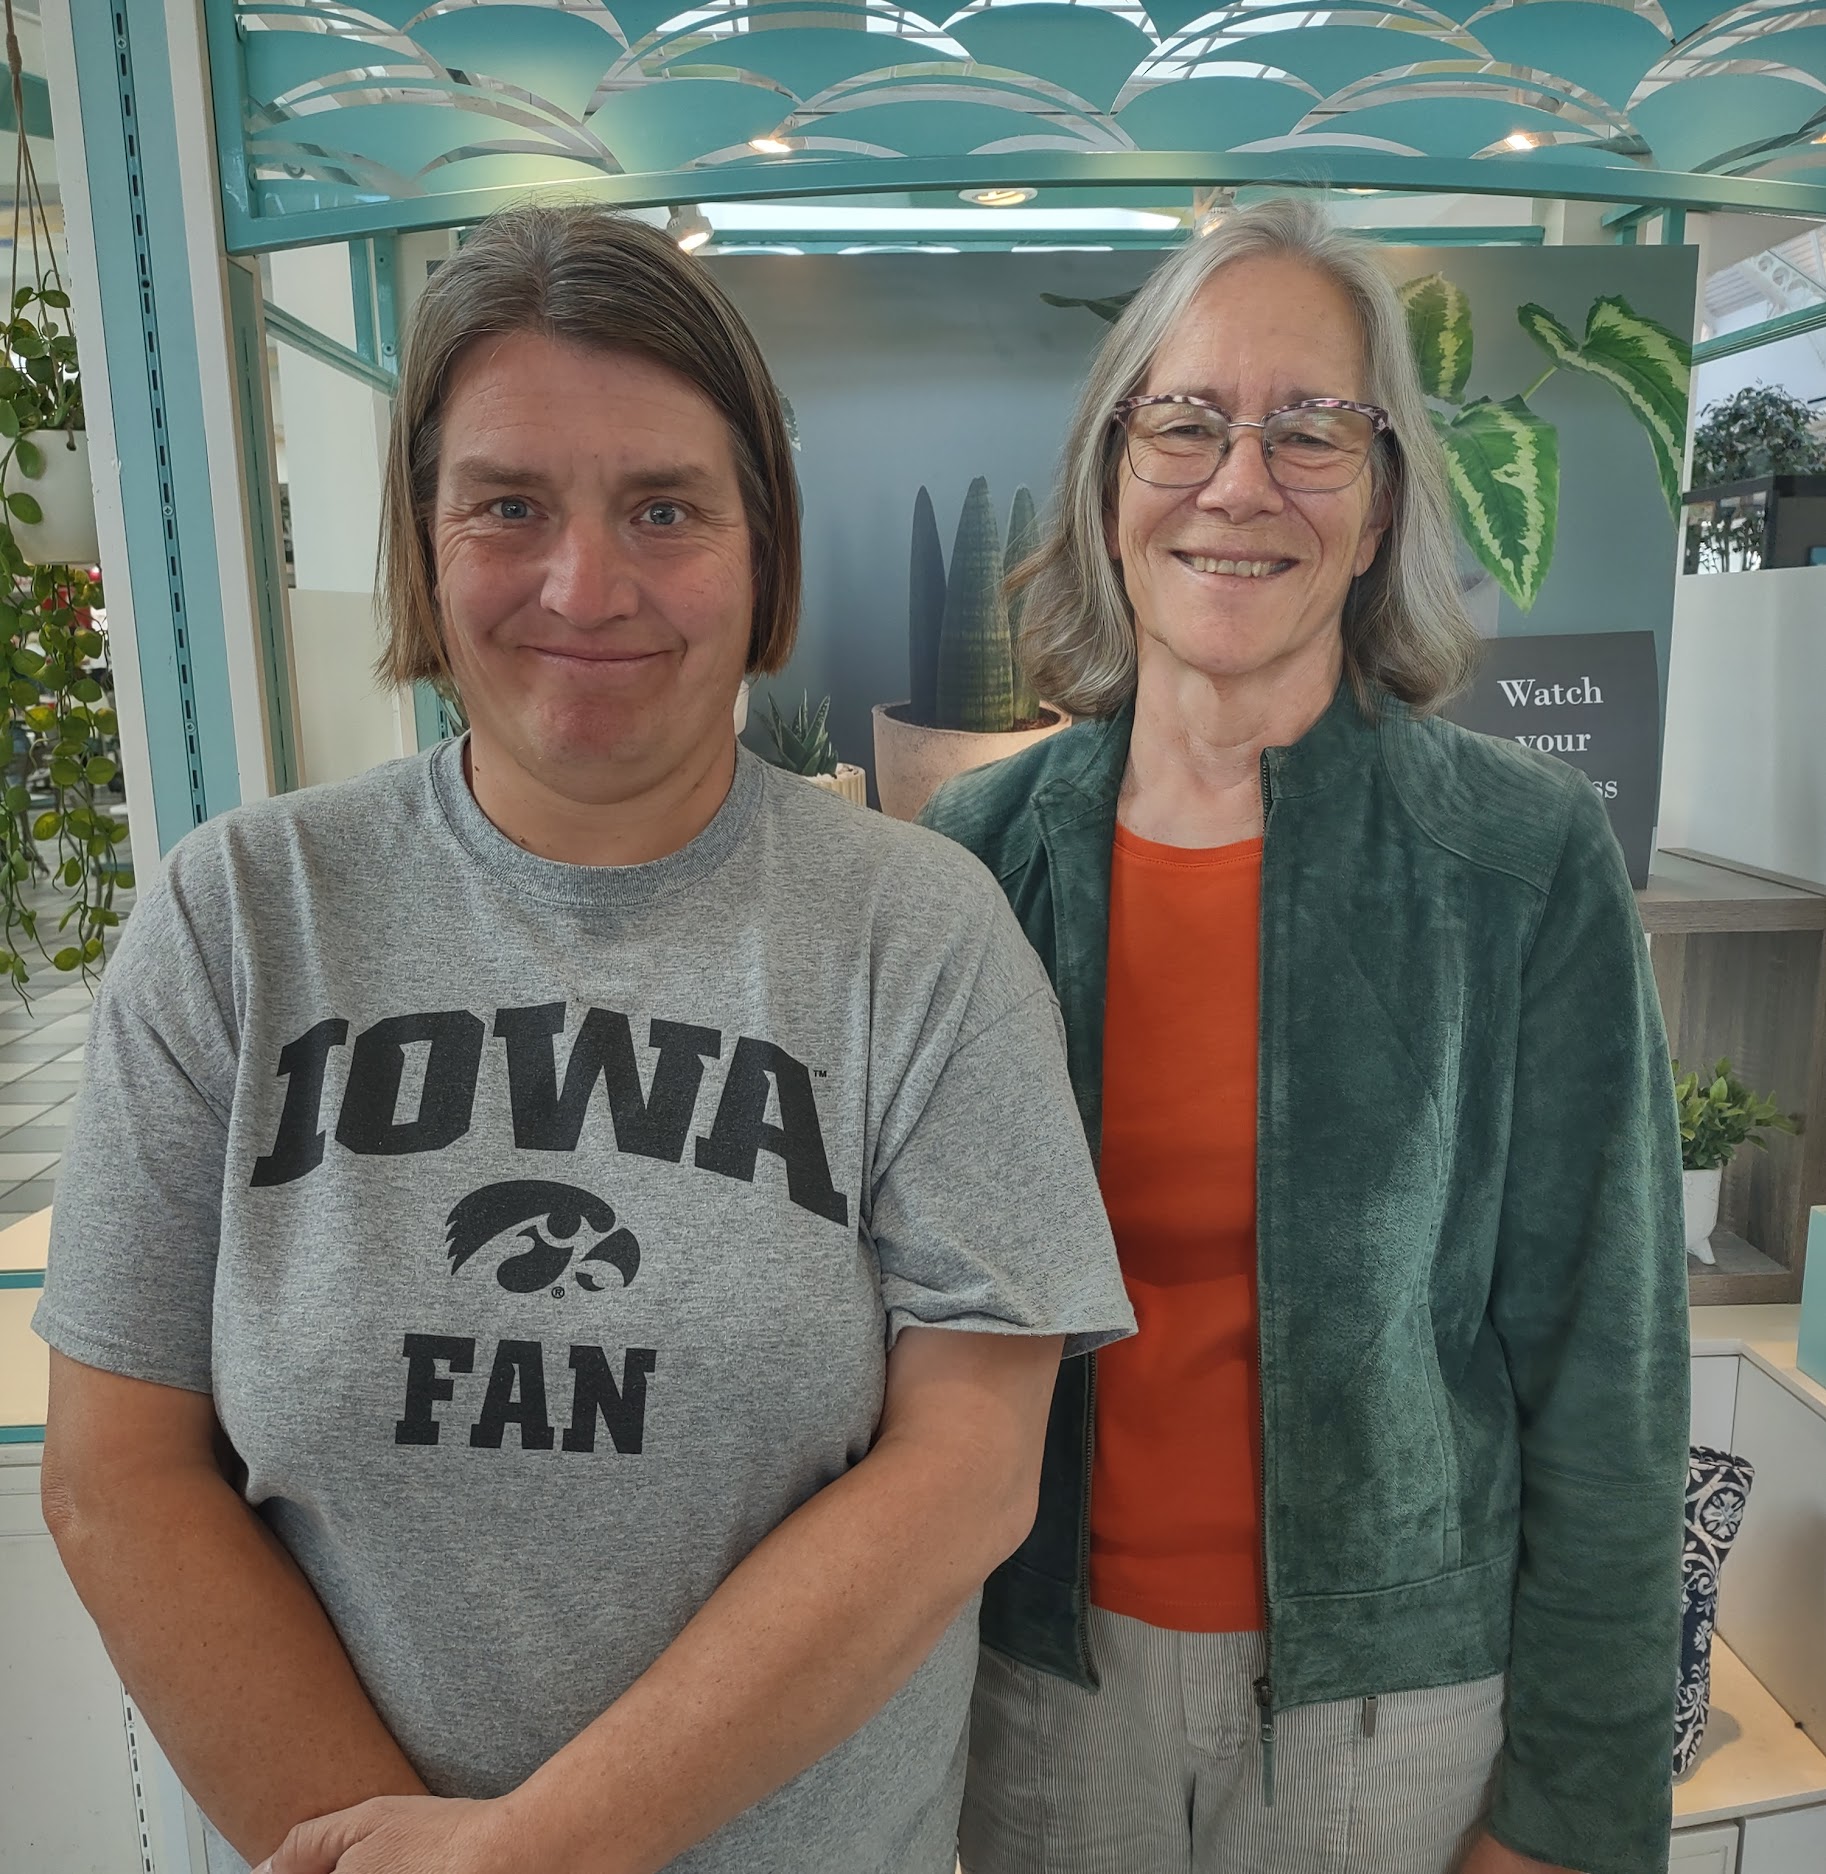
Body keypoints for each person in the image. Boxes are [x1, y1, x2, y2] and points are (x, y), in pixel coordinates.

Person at [33, 202, 1134, 1874]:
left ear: (761, 544)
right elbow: (121, 1479)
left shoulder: (916, 935)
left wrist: (536, 1849)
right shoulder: (239, 919)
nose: (584, 583)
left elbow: (966, 1473)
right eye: (509, 505)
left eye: (664, 508)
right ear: (422, 539)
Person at [921, 196, 1688, 1874]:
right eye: (1182, 422)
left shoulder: (1520, 859)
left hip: (1398, 1713)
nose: (1237, 479)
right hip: (1032, 1686)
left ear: (1382, 498)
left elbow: (1608, 1374)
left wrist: (1574, 1807)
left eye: (1311, 428)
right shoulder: (970, 869)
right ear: (1110, 481)